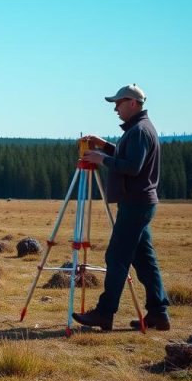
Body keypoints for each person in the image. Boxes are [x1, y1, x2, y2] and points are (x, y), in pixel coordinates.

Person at [72, 84, 170, 331]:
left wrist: (102, 159)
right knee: (145, 260)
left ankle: (105, 313)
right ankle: (158, 313)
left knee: (116, 256)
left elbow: (133, 166)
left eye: (118, 103)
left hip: (136, 203)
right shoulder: (140, 129)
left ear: (133, 103)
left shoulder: (139, 130)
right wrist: (104, 146)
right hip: (139, 203)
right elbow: (128, 157)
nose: (115, 108)